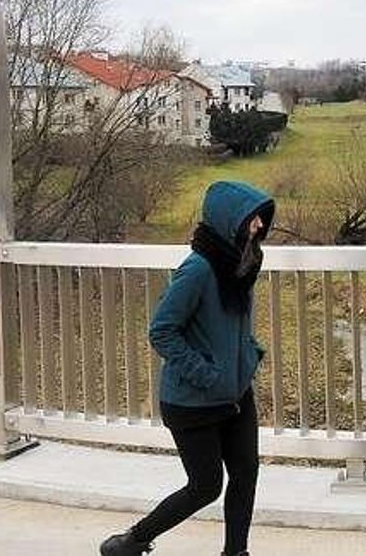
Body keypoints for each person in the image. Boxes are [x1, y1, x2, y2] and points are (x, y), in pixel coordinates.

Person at [101, 181, 275, 556]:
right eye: (253, 218)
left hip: (235, 394)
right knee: (205, 486)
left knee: (246, 474)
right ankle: (131, 542)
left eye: (262, 218)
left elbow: (234, 328)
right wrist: (207, 374)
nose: (260, 225)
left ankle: (236, 553)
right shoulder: (198, 269)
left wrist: (248, 355)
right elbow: (161, 331)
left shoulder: (240, 265)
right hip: (193, 401)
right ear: (230, 220)